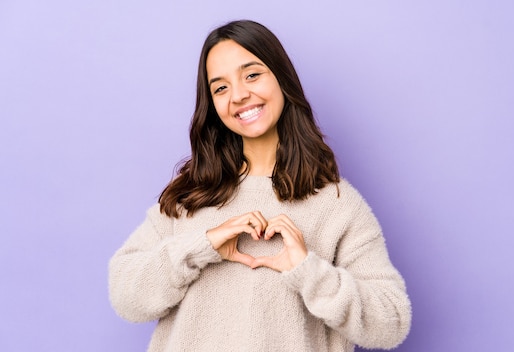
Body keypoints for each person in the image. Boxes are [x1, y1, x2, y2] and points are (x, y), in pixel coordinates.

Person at [109, 19, 411, 352]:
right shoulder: (190, 196)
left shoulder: (337, 205)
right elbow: (125, 296)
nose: (238, 95)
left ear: (281, 78)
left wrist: (307, 270)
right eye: (220, 88)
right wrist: (201, 246)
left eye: (252, 75)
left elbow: (392, 323)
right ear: (213, 105)